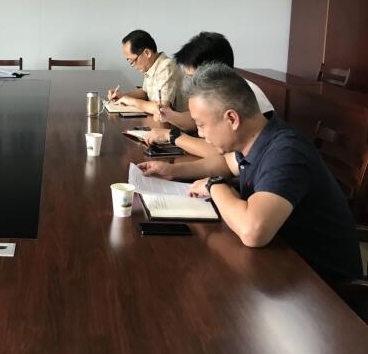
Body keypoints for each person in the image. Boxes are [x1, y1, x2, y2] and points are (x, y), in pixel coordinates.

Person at [138, 63, 361, 282]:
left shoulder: (287, 151)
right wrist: (173, 170)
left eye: (201, 124)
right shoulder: (257, 138)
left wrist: (214, 185)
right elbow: (226, 163)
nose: (200, 133)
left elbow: (253, 231)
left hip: (324, 288)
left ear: (232, 119)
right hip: (283, 265)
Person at [144, 32, 274, 157]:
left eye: (192, 77)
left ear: (213, 71)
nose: (190, 84)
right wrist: (169, 115)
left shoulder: (242, 94)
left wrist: (171, 136)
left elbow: (222, 153)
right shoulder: (221, 89)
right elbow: (195, 121)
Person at [107, 29, 185, 114]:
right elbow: (145, 92)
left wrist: (132, 101)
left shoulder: (166, 67)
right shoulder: (152, 66)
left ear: (147, 53)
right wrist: (123, 96)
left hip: (176, 121)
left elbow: (162, 108)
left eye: (132, 61)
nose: (133, 65)